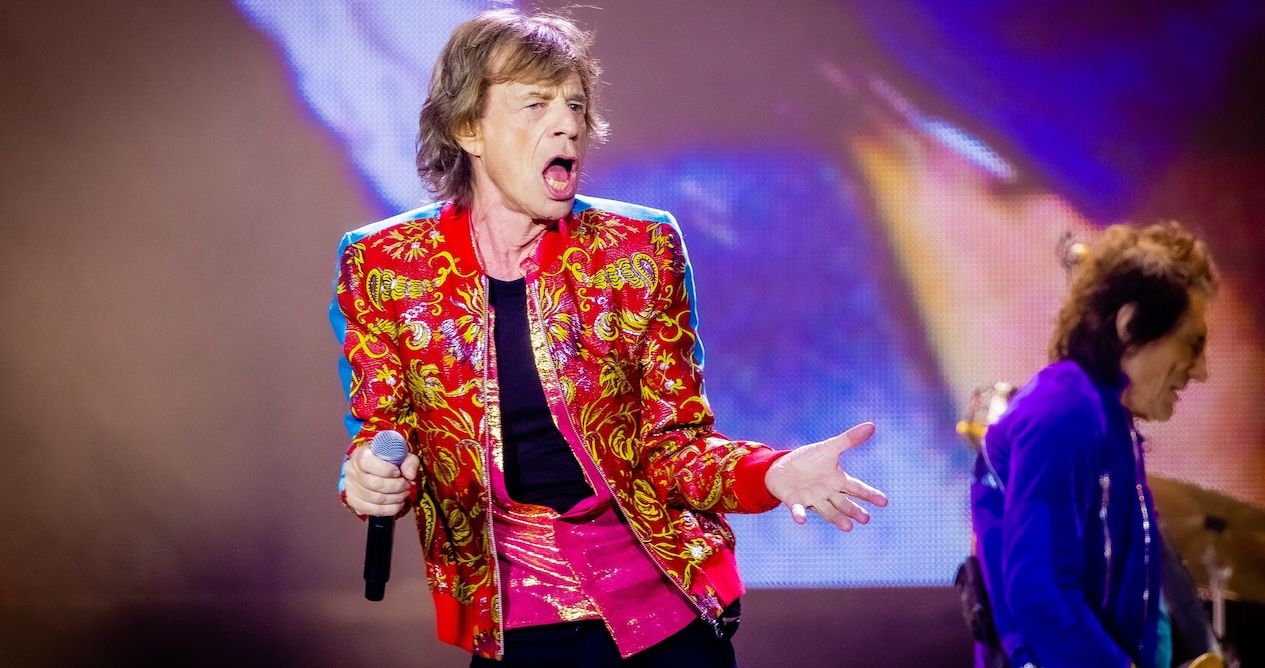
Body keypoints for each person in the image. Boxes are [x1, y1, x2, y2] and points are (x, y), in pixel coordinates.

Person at [330, 9, 887, 666]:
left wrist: (773, 472)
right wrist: (368, 479)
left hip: (662, 611)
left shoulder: (638, 249)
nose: (567, 123)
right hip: (512, 626)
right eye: (535, 104)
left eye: (574, 104)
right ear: (467, 128)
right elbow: (382, 436)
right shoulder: (386, 265)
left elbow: (674, 447)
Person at [970, 221, 1218, 667]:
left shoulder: (1107, 418)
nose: (1200, 370)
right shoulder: (1063, 411)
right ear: (1129, 324)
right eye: (1191, 344)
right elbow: (1042, 598)